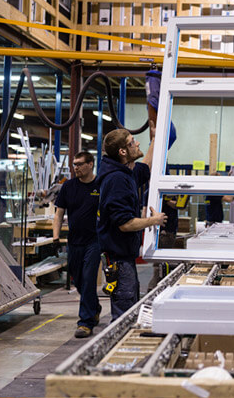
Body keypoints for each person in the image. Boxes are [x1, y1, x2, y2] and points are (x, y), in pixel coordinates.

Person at [96, 128, 166, 322]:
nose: (137, 144)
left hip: (123, 257)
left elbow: (146, 166)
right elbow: (125, 224)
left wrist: (155, 138)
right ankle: (118, 349)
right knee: (125, 315)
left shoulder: (123, 172)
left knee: (129, 307)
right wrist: (154, 220)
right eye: (132, 141)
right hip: (119, 261)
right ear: (123, 151)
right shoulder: (117, 179)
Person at [53, 152, 101, 338]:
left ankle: (85, 322)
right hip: (74, 241)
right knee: (78, 280)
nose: (76, 168)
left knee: (89, 279)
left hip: (94, 241)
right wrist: (56, 237)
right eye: (74, 164)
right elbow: (59, 214)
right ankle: (94, 307)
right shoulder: (69, 186)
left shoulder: (100, 186)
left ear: (90, 164)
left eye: (80, 164)